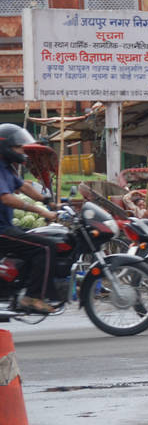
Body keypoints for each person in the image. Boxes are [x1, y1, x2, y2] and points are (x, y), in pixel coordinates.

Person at [0, 125, 60, 314]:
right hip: (2, 230)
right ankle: (32, 297)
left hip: (6, 226)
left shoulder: (7, 168)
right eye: (18, 147)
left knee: (40, 239)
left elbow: (23, 187)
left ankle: (19, 291)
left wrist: (48, 201)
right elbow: (6, 198)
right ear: (6, 147)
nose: (22, 151)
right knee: (46, 247)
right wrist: (39, 210)